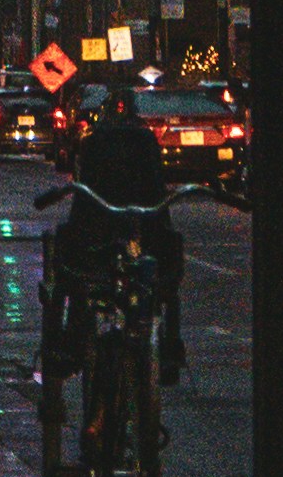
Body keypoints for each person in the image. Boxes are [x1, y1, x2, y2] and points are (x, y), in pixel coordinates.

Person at [44, 74, 186, 392]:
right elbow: (157, 189)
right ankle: (168, 348)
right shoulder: (144, 142)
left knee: (74, 275)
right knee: (163, 282)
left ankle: (69, 341)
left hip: (97, 228)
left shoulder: (95, 141)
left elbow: (82, 195)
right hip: (145, 226)